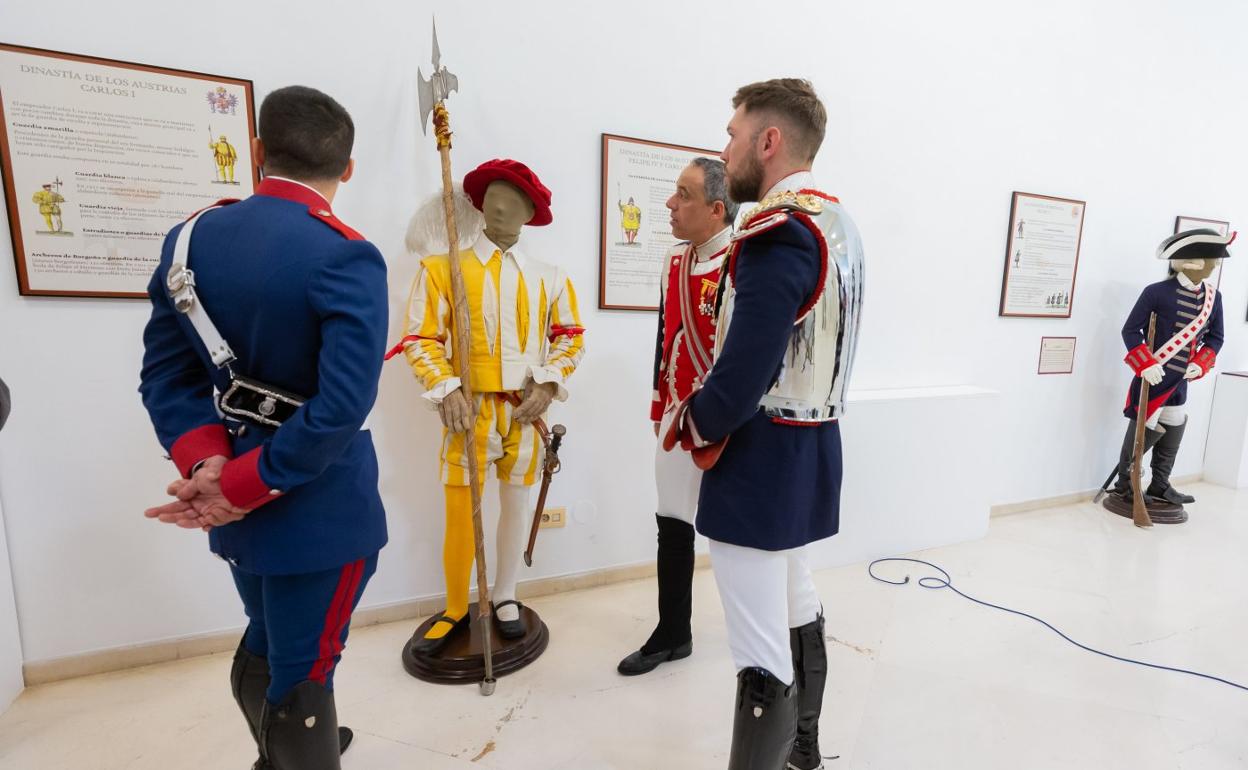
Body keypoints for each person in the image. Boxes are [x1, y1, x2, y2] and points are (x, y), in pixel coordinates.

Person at [139, 85, 388, 770]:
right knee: (302, 677)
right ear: (348, 168)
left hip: (234, 507)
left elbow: (167, 376)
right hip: (317, 508)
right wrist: (244, 484)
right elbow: (340, 406)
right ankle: (292, 754)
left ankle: (277, 753)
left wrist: (205, 466)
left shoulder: (191, 239)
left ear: (256, 152)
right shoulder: (346, 254)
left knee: (270, 642)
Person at [665, 78, 864, 770]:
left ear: (768, 141)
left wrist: (693, 423)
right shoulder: (836, 222)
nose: (727, 146)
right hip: (810, 445)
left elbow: (747, 367)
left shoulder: (777, 232)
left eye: (732, 133)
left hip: (759, 456)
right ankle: (801, 751)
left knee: (757, 646)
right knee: (795, 598)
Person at [394, 158, 585, 652]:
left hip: (525, 411)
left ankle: (505, 595)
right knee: (460, 508)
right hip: (469, 410)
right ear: (479, 206)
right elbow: (420, 336)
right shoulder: (442, 270)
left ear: (529, 213)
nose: (501, 212)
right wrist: (446, 387)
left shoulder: (550, 276)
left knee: (516, 506)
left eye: (514, 204)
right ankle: (457, 604)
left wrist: (547, 384)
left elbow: (570, 337)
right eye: (494, 202)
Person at [616, 158, 736, 676]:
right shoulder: (673, 262)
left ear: (715, 208)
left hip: (729, 424)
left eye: (683, 195)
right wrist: (658, 404)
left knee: (737, 536)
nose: (670, 204)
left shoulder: (744, 258)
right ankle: (673, 633)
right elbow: (666, 337)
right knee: (672, 521)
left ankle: (758, 640)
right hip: (677, 416)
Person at [1110, 228, 1232, 520]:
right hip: (1154, 378)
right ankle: (1126, 485)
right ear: (1191, 262)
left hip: (1180, 381)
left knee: (1174, 426)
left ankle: (1160, 486)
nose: (1214, 265)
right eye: (1210, 259)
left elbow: (1216, 338)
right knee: (1143, 430)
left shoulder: (1214, 298)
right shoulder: (1156, 292)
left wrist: (1201, 363)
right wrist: (1146, 364)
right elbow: (1130, 330)